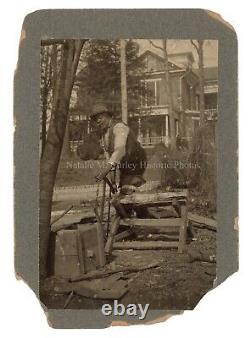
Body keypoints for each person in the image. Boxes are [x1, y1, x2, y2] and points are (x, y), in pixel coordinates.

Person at [90, 103, 147, 189]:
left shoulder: (119, 127)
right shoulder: (105, 135)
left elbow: (120, 150)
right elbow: (110, 157)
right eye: (96, 120)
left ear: (107, 116)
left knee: (130, 187)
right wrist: (112, 181)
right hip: (125, 164)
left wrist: (105, 171)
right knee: (123, 188)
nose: (98, 121)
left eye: (100, 118)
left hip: (136, 160)